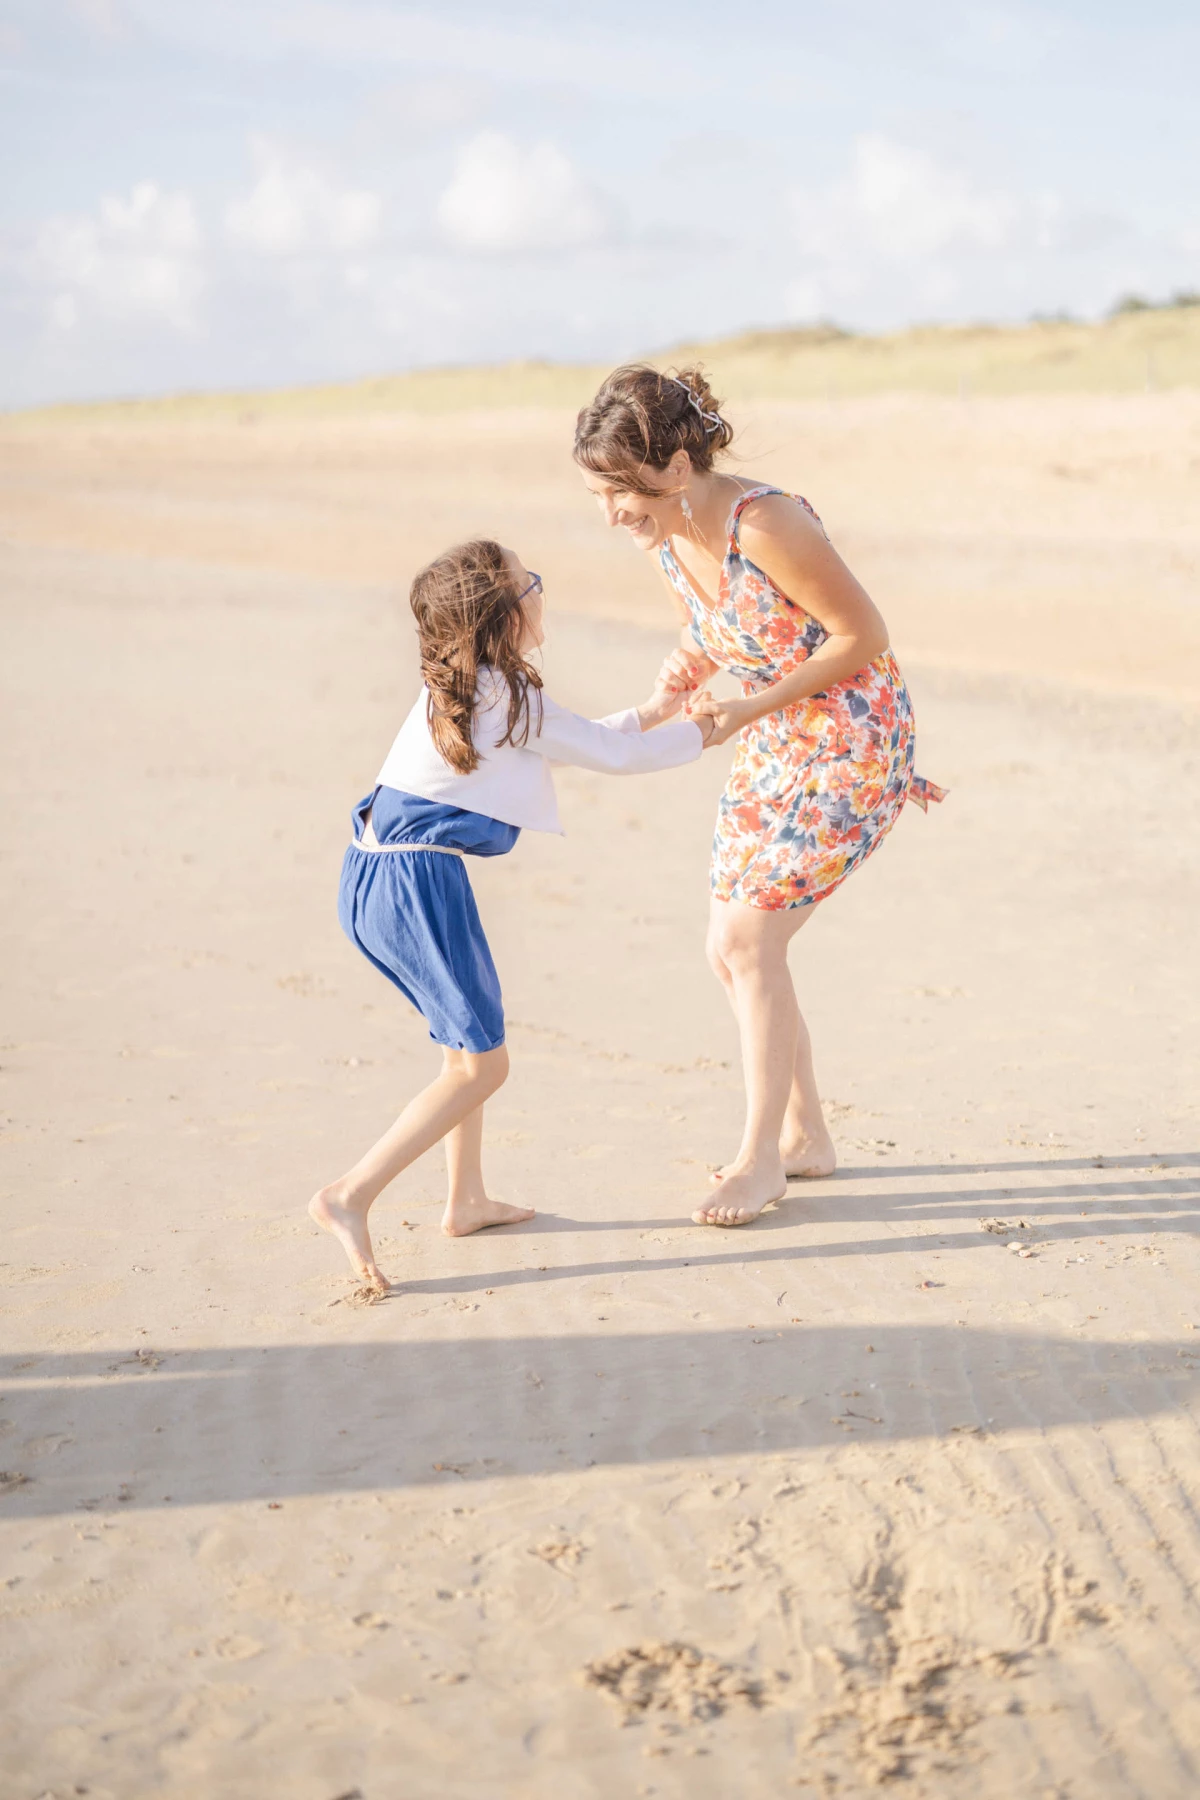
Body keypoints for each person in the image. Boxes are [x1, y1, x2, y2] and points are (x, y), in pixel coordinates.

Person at [574, 365, 945, 1229]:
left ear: (672, 465)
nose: (609, 513)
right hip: (776, 735)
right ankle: (806, 1134)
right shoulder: (666, 537)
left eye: (617, 491)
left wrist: (748, 706)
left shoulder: (767, 521)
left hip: (852, 734)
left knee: (748, 939)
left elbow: (864, 635)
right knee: (729, 945)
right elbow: (722, 626)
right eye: (596, 495)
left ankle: (759, 1162)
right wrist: (688, 668)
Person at [310, 537, 713, 1290]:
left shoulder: (471, 687)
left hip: (370, 874)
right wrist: (715, 727)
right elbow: (611, 758)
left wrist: (659, 710)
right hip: (416, 886)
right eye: (528, 582)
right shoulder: (503, 695)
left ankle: (465, 1199)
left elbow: (577, 740)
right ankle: (349, 1194)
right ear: (501, 615)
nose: (539, 588)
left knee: (465, 1051)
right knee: (485, 1064)